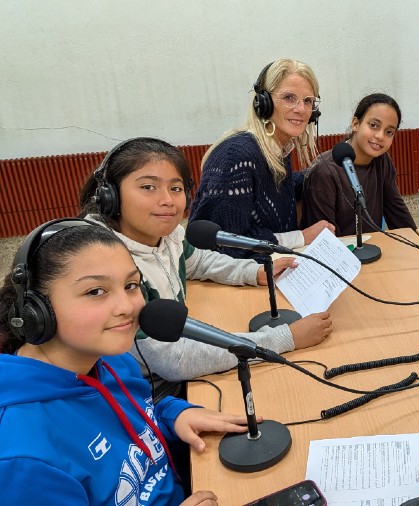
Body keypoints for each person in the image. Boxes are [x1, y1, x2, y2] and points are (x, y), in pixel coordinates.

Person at [0, 219, 251, 505]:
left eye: (131, 285)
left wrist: (172, 416)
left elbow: (134, 421)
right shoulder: (24, 459)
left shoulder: (113, 360)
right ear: (35, 309)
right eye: (95, 291)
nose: (127, 306)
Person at [79, 137, 332, 393]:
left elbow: (198, 261)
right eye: (148, 187)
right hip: (145, 391)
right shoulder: (112, 269)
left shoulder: (166, 237)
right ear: (110, 196)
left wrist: (252, 272)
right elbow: (175, 359)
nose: (167, 200)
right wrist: (285, 338)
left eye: (175, 188)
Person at [189, 58, 334, 259]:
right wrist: (301, 237)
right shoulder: (236, 155)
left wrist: (326, 170)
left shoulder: (278, 150)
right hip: (234, 276)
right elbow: (224, 244)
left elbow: (270, 192)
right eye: (289, 98)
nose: (301, 109)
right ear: (264, 103)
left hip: (269, 268)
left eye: (308, 101)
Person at [300, 93, 417, 236]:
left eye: (389, 132)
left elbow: (398, 213)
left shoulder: (382, 160)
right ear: (355, 124)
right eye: (374, 125)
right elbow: (324, 238)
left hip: (371, 245)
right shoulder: (324, 171)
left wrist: (417, 242)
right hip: (336, 248)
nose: (380, 136)